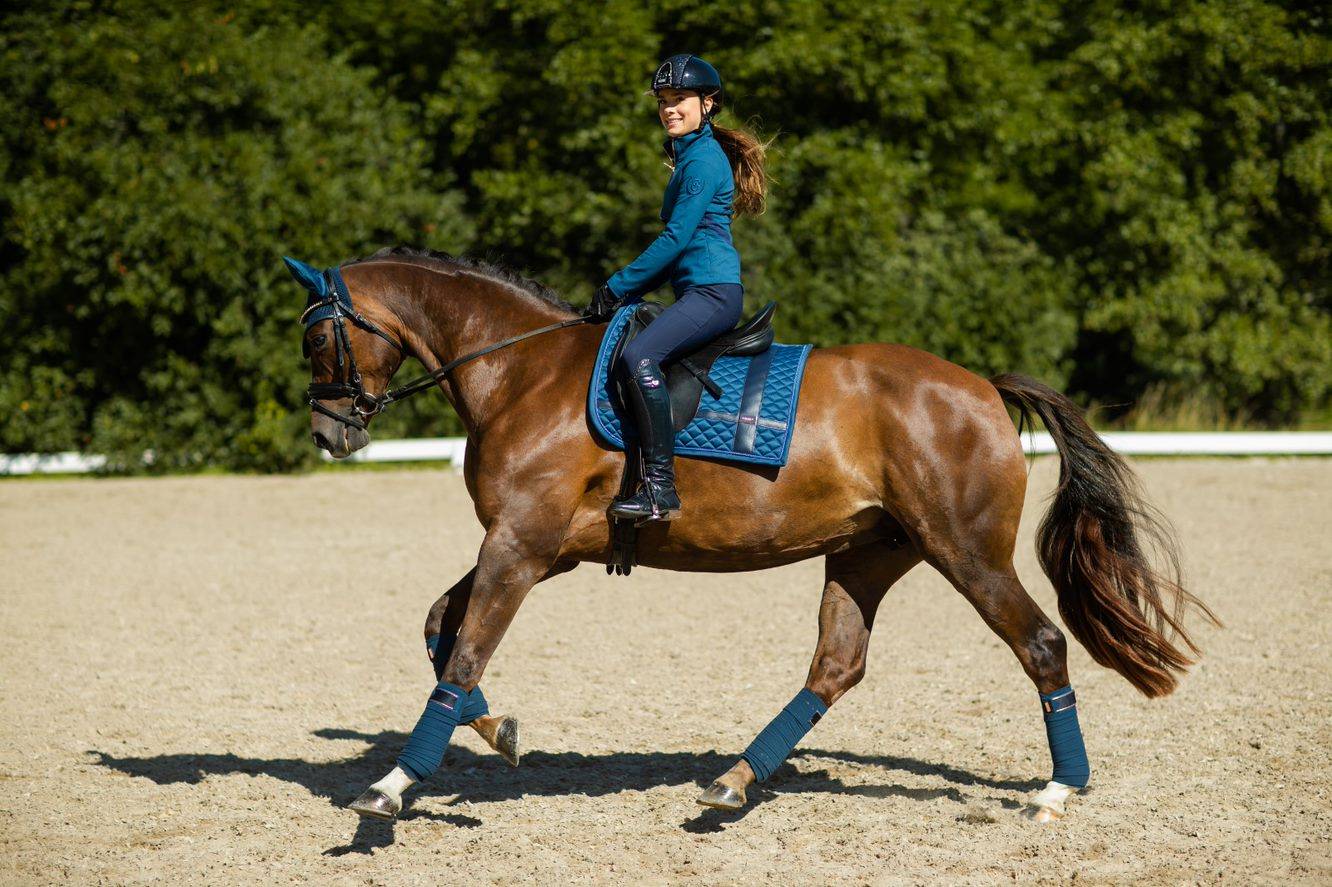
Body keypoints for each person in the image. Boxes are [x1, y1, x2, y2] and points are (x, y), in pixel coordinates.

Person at [586, 53, 771, 522]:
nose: (670, 108)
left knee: (638, 357)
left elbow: (675, 240)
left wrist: (615, 286)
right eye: (663, 101)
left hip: (713, 295)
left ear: (708, 104)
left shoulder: (703, 162)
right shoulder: (691, 157)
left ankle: (660, 489)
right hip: (696, 292)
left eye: (680, 99)